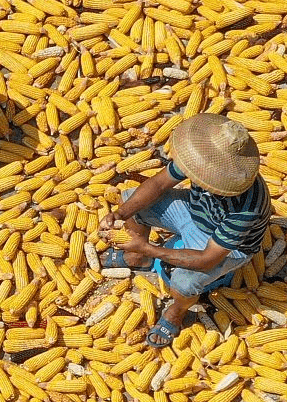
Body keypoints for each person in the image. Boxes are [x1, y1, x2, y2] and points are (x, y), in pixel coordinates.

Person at [101, 113, 271, 349]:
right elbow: (157, 184)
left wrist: (150, 248)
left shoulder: (246, 208)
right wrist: (120, 213)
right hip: (194, 213)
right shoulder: (200, 159)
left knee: (185, 282)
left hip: (221, 246)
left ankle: (176, 312)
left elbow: (206, 260)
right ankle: (136, 258)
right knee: (133, 200)